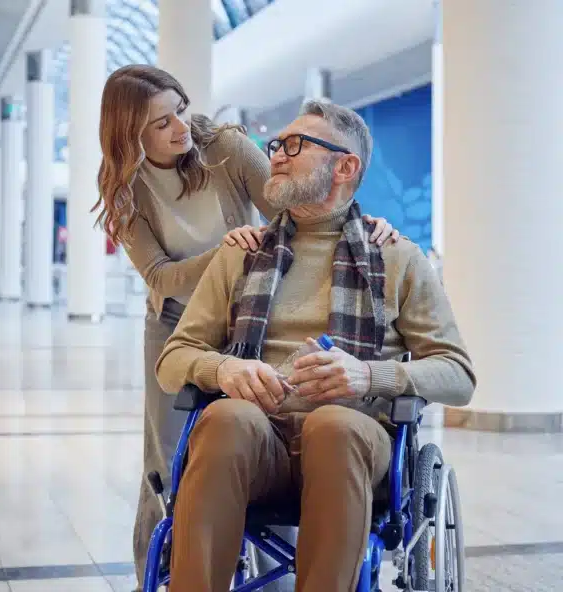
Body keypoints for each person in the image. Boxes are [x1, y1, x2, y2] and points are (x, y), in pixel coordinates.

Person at [91, 64, 401, 590]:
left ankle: (276, 577)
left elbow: (297, 205)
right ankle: (160, 570)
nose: (180, 128)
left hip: (247, 311)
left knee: (265, 434)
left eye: (180, 110)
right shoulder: (124, 191)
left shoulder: (225, 149)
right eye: (161, 124)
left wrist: (362, 223)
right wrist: (226, 254)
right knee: (167, 466)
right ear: (131, 136)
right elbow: (161, 277)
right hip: (172, 320)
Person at [155, 100, 476, 592]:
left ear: (345, 166)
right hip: (260, 443)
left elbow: (457, 374)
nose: (277, 154)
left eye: (296, 145)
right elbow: (173, 358)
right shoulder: (242, 253)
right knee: (224, 417)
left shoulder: (397, 257)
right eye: (277, 144)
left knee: (334, 423)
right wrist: (224, 371)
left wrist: (369, 376)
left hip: (355, 442)